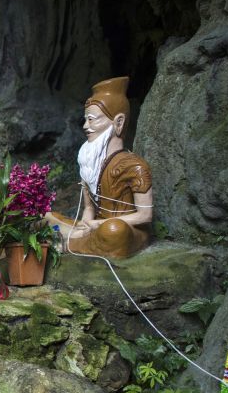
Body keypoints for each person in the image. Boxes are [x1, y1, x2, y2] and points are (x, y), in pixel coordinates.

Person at [45, 76, 153, 258]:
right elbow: (89, 210)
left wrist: (98, 226)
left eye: (92, 119)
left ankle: (65, 242)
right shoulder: (89, 164)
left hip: (125, 231)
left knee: (113, 231)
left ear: (118, 122)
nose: (86, 126)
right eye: (85, 120)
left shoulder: (135, 165)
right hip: (95, 229)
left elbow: (145, 216)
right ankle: (76, 239)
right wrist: (87, 225)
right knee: (46, 217)